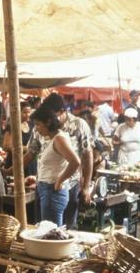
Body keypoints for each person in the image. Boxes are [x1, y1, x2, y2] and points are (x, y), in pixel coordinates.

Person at [29, 92, 93, 229]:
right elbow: (32, 152)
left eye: (53, 114)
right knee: (44, 227)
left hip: (68, 184)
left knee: (65, 228)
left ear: (63, 111)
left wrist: (86, 187)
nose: (50, 118)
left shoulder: (78, 125)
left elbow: (86, 156)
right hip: (44, 183)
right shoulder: (40, 126)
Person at [24, 105, 80, 226]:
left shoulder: (59, 139)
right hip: (47, 189)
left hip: (53, 192)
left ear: (48, 122)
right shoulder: (50, 138)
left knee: (52, 232)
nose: (37, 129)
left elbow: (75, 162)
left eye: (38, 124)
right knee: (47, 230)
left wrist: (60, 180)